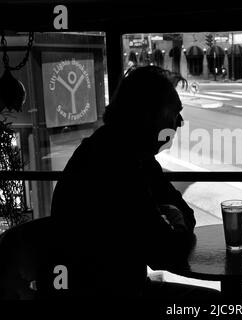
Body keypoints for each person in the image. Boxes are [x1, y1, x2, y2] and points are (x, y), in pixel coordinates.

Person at [48, 66, 221, 300]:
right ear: (150, 115)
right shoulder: (115, 163)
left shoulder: (128, 153)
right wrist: (174, 222)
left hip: (122, 288)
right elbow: (164, 252)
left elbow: (186, 215)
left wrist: (173, 224)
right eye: (174, 112)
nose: (179, 122)